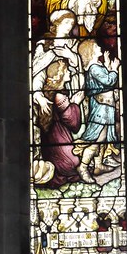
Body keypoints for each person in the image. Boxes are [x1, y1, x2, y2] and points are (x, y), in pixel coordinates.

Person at [74, 38, 120, 183]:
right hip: (101, 108)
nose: (99, 47)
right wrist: (114, 69)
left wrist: (107, 64)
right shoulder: (93, 68)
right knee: (97, 140)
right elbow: (108, 81)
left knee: (103, 138)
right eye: (96, 46)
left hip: (106, 107)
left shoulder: (97, 66)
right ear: (90, 52)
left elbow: (105, 80)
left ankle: (98, 165)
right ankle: (83, 167)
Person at [35, 57, 84, 187]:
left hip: (51, 140)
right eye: (67, 70)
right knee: (73, 163)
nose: (70, 72)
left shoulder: (51, 93)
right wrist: (75, 104)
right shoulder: (59, 96)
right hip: (59, 140)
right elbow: (72, 122)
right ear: (60, 76)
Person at [31, 9, 83, 121]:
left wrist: (71, 56)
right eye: (66, 22)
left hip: (70, 88)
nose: (69, 26)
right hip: (48, 91)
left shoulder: (74, 44)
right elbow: (38, 70)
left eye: (71, 23)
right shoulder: (44, 43)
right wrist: (38, 95)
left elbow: (81, 68)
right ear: (57, 23)